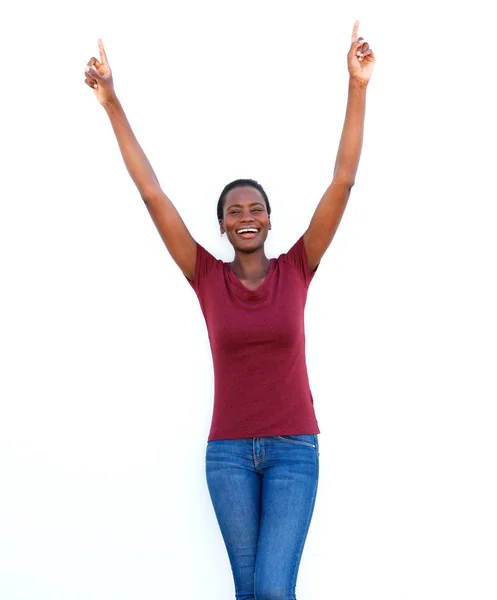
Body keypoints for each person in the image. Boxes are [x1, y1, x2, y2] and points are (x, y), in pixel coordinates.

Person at [84, 20, 375, 600]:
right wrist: (112, 102)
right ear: (222, 224)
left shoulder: (298, 267)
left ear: (269, 219)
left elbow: (342, 180)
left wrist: (357, 86)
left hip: (295, 449)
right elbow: (153, 193)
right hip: (228, 456)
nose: (247, 214)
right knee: (249, 593)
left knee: (273, 587)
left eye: (257, 207)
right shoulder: (205, 278)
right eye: (235, 208)